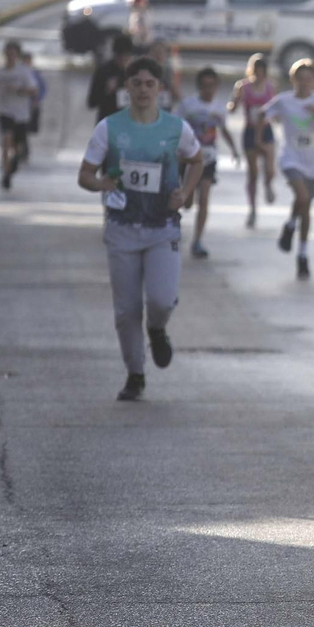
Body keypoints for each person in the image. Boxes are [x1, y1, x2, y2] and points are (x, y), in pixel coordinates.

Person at [76, 57, 203, 401]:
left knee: (161, 299)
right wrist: (101, 183)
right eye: (137, 83)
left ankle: (158, 329)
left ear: (160, 89)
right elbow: (84, 174)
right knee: (127, 309)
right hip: (122, 228)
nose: (143, 90)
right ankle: (135, 373)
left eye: (150, 84)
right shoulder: (109, 128)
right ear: (126, 88)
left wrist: (186, 192)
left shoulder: (177, 129)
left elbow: (197, 159)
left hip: (162, 227)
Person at [265, 59, 314, 280]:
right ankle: (303, 257)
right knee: (303, 197)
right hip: (290, 159)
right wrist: (262, 131)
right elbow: (261, 115)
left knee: (305, 203)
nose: (304, 84)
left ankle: (291, 228)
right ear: (292, 80)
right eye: (300, 79)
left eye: (309, 79)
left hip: (313, 163)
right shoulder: (284, 101)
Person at [174, 66, 240, 259]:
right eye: (204, 86)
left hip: (208, 159)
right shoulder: (188, 106)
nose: (208, 90)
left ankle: (198, 240)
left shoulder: (220, 107)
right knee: (186, 202)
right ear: (199, 87)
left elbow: (223, 128)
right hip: (187, 158)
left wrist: (234, 149)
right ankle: (184, 205)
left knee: (204, 199)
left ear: (217, 87)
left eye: (212, 86)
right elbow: (176, 128)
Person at [228, 53, 278, 227]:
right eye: (257, 71)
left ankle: (268, 185)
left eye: (263, 71)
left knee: (270, 169)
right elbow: (232, 108)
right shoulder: (244, 87)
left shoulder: (270, 87)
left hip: (266, 131)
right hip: (250, 131)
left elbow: (276, 109)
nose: (260, 74)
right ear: (252, 71)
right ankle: (253, 209)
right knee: (253, 173)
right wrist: (235, 98)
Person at [0, 42, 37, 190]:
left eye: (13, 54)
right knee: (6, 140)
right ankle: (5, 173)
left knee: (18, 148)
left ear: (17, 55)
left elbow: (34, 90)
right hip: (5, 112)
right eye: (8, 53)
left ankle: (13, 164)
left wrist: (19, 90)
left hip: (21, 114)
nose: (10, 57)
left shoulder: (23, 72)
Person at [88, 34, 134, 123]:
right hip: (108, 122)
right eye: (120, 57)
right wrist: (106, 90)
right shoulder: (103, 71)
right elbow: (91, 103)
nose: (123, 60)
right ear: (115, 55)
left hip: (129, 123)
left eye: (127, 57)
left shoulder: (135, 72)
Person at [21, 51, 46, 164]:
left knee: (26, 129)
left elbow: (42, 88)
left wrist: (37, 100)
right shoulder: (19, 72)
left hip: (31, 105)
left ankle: (23, 150)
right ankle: (23, 150)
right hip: (19, 106)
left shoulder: (35, 74)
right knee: (21, 129)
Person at [147, 38, 179, 108]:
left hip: (164, 107)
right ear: (150, 53)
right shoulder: (144, 71)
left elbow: (176, 95)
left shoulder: (168, 71)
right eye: (156, 52)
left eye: (161, 52)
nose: (158, 55)